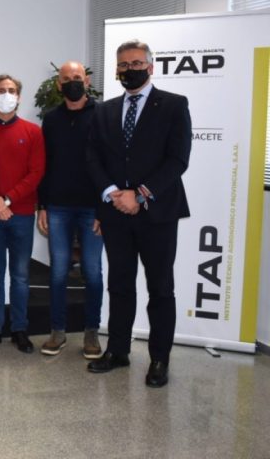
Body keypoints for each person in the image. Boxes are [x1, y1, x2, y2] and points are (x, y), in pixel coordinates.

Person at [86, 40, 192, 388]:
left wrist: (140, 195)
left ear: (150, 67)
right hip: (116, 212)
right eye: (123, 65)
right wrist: (112, 194)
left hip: (157, 214)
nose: (129, 70)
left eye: (135, 63)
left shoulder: (174, 106)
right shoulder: (104, 110)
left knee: (160, 288)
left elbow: (177, 159)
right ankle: (117, 351)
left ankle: (159, 359)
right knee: (120, 284)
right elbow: (94, 158)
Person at [37, 61, 104, 359]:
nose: (72, 82)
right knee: (58, 272)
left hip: (93, 207)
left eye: (77, 77)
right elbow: (44, 165)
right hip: (59, 206)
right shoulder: (50, 119)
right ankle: (58, 332)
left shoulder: (103, 114)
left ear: (87, 81)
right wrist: (42, 206)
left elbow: (111, 162)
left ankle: (91, 332)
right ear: (58, 85)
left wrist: (106, 208)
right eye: (67, 79)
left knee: (92, 271)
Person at [0, 75, 45, 355]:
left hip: (21, 214)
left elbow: (36, 173)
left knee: (19, 276)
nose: (7, 94)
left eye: (12, 90)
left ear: (19, 96)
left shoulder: (33, 132)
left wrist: (7, 199)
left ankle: (20, 328)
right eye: (1, 91)